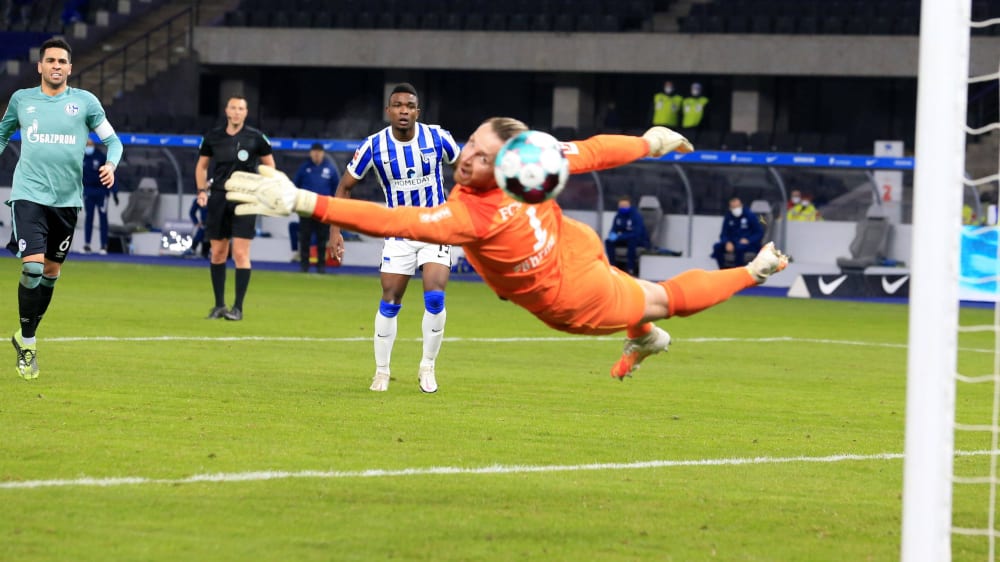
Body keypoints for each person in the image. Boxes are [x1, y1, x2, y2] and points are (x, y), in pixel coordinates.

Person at [226, 119, 788, 381]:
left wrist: (305, 200)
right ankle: (643, 336)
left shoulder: (476, 210)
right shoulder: (529, 161)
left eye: (479, 155)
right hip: (568, 244)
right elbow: (590, 151)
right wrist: (652, 140)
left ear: (508, 164)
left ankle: (752, 271)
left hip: (573, 293)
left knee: (664, 300)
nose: (467, 156)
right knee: (644, 308)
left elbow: (392, 219)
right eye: (470, 144)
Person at [0, 37, 123, 380]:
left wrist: (111, 164)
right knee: (34, 269)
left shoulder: (85, 103)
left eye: (62, 61)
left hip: (67, 201)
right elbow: (2, 132)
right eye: (50, 60)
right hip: (28, 194)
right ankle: (29, 344)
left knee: (52, 274)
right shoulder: (22, 100)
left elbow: (112, 141)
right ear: (40, 66)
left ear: (70, 68)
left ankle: (24, 332)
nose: (56, 65)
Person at [327, 83, 460, 394]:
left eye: (409, 106)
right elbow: (345, 187)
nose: (404, 110)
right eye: (398, 105)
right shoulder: (373, 146)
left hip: (434, 227)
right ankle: (382, 372)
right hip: (398, 232)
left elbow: (466, 169)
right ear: (388, 111)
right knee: (390, 301)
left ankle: (427, 366)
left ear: (417, 111)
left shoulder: (437, 137)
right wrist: (336, 230)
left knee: (435, 296)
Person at [194, 94, 275, 321]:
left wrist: (263, 190)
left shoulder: (256, 138)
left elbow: (270, 167)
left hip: (246, 200)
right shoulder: (212, 137)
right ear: (227, 111)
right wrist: (202, 191)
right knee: (218, 252)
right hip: (219, 197)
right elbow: (201, 167)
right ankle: (219, 305)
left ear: (245, 112)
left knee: (240, 253)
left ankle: (237, 308)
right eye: (233, 108)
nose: (237, 112)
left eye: (241, 108)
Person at [292, 142, 339, 273]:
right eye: (314, 152)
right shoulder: (304, 168)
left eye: (319, 152)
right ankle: (304, 265)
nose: (317, 154)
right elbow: (295, 186)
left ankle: (321, 266)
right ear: (310, 153)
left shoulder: (330, 168)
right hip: (306, 209)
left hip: (323, 210)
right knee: (305, 238)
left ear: (323, 153)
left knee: (322, 239)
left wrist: (334, 207)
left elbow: (337, 188)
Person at [81, 137, 117, 254]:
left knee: (103, 219)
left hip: (101, 192)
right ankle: (87, 244)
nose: (88, 147)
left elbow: (109, 172)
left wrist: (114, 191)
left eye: (90, 144)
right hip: (88, 192)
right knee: (89, 218)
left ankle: (103, 245)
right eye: (86, 145)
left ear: (93, 145)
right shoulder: (81, 157)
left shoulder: (100, 156)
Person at [711, 196, 764, 270]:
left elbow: (759, 233)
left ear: (741, 205)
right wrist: (727, 242)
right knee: (717, 247)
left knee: (740, 248)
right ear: (730, 208)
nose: (736, 209)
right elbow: (723, 234)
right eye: (734, 207)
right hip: (732, 242)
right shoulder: (728, 217)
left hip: (748, 244)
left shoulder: (750, 215)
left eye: (738, 206)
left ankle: (738, 271)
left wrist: (749, 240)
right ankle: (723, 270)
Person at [604, 195, 648, 275]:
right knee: (608, 241)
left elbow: (637, 233)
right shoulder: (618, 216)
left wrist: (619, 237)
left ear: (629, 206)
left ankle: (630, 268)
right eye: (621, 206)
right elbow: (614, 229)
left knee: (632, 241)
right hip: (623, 239)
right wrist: (612, 235)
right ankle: (612, 266)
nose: (623, 208)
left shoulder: (636, 216)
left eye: (625, 206)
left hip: (637, 240)